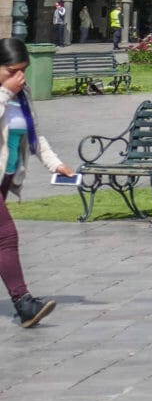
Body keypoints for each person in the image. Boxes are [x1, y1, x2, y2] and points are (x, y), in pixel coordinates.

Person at [0, 38, 71, 327]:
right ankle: (24, 303)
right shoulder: (8, 92)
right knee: (5, 236)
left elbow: (34, 135)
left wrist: (56, 164)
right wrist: (5, 92)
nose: (19, 77)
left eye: (23, 70)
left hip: (5, 177)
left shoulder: (22, 94)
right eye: (12, 71)